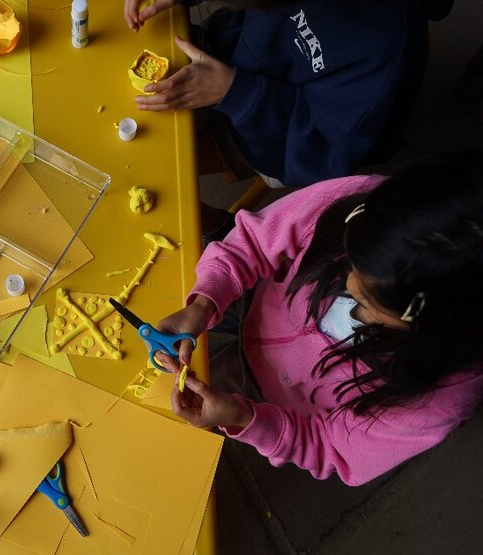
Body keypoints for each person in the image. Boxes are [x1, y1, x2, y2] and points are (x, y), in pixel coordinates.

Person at [154, 152, 483, 486]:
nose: (347, 285)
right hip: (257, 298)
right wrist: (204, 302)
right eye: (351, 261)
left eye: (368, 300)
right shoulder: (372, 207)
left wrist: (245, 418)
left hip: (272, 400)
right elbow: (253, 241)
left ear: (432, 329)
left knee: (167, 412)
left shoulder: (439, 399)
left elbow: (330, 448)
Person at [123, 0, 454, 236]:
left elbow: (322, 155)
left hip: (274, 138)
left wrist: (233, 92)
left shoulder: (383, 49)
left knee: (146, 172)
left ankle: (218, 228)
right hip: (233, 53)